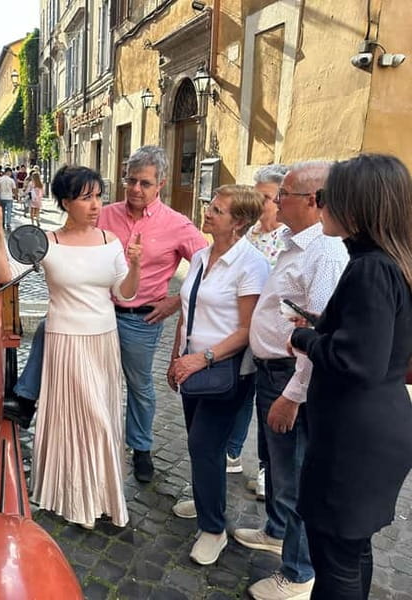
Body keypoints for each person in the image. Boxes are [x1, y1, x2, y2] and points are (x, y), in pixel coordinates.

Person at [7, 146, 207, 486]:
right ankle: (29, 400)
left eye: (144, 183)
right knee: (49, 330)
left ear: (160, 184)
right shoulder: (104, 213)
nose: (135, 190)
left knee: (139, 385)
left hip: (141, 319)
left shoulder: (177, 225)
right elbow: (77, 242)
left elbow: (207, 265)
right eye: (131, 180)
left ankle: (140, 448)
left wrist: (175, 301)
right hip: (96, 309)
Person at [0, 165, 142, 529]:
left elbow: (125, 293)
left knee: (103, 419)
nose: (95, 205)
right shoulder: (47, 242)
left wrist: (135, 266)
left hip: (103, 340)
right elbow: (5, 274)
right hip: (64, 340)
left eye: (98, 196)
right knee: (78, 418)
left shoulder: (110, 241)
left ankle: (100, 495)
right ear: (66, 202)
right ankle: (73, 495)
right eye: (86, 198)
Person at [287, 154, 412, 599]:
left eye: (326, 199)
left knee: (335, 558)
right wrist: (328, 325)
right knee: (350, 550)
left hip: (355, 439)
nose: (321, 207)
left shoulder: (371, 269)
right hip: (374, 429)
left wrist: (306, 340)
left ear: (356, 208)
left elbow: (359, 362)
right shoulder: (390, 261)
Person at [233, 161, 349, 600]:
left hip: (289, 379)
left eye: (285, 195)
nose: (276, 202)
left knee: (294, 475)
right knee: (276, 466)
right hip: (270, 371)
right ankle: (277, 531)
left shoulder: (327, 253)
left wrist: (292, 395)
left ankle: (298, 573)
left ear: (315, 201)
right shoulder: (294, 241)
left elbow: (319, 336)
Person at [167, 186, 269, 565]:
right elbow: (186, 308)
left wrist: (202, 359)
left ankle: (213, 530)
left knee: (204, 445)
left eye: (218, 210)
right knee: (200, 443)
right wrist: (177, 356)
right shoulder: (200, 256)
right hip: (192, 367)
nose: (207, 213)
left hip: (226, 373)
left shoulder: (251, 265)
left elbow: (247, 329)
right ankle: (205, 494)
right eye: (210, 206)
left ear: (239, 222)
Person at [226, 164, 290, 494]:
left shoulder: (287, 239)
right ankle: (232, 451)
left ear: (280, 199)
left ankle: (268, 471)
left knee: (267, 403)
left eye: (264, 196)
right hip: (243, 328)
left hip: (272, 336)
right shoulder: (250, 234)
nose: (259, 201)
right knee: (239, 392)